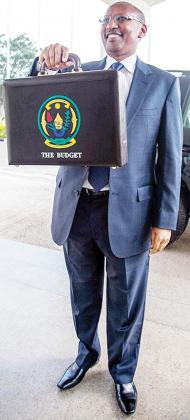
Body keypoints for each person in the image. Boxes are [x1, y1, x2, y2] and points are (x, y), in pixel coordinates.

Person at [30, 1, 182, 415]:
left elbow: (168, 157)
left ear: (142, 31)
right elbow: (36, 100)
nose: (112, 26)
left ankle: (124, 372)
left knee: (126, 301)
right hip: (77, 207)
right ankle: (86, 354)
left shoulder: (164, 84)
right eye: (107, 20)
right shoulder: (78, 73)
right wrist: (42, 62)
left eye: (123, 19)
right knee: (82, 296)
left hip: (131, 213)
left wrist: (164, 219)